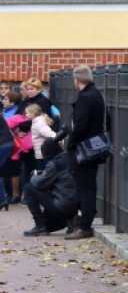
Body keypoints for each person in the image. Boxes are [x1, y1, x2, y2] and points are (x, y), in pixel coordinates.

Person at [60, 66, 106, 239]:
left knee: (85, 188)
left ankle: (84, 225)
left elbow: (80, 126)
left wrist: (70, 141)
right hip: (93, 147)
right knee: (88, 186)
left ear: (76, 81)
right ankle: (84, 221)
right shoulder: (96, 94)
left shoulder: (86, 98)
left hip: (83, 150)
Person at [23, 137, 78, 237]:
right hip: (75, 204)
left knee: (28, 187)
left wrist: (35, 175)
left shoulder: (54, 164)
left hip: (63, 204)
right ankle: (68, 221)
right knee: (48, 224)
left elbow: (39, 183)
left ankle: (40, 226)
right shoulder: (70, 157)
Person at [25, 103, 57, 171]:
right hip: (40, 152)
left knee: (42, 172)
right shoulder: (36, 122)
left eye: (27, 113)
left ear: (33, 113)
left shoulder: (38, 123)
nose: (25, 115)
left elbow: (48, 133)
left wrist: (57, 138)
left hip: (42, 153)